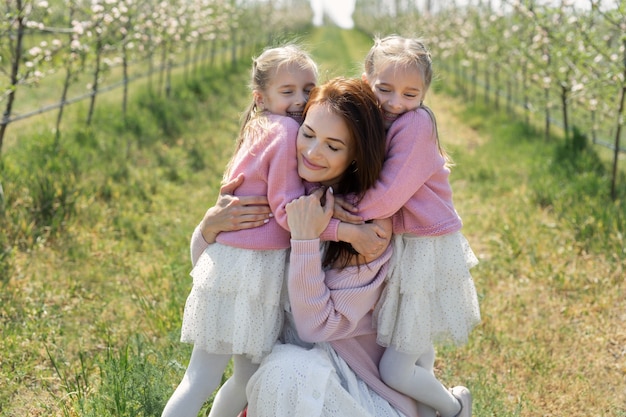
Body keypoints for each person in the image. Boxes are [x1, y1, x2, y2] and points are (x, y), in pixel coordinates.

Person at [244, 77, 422, 417]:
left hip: (358, 388)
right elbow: (221, 277)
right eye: (308, 134)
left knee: (286, 370)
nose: (312, 153)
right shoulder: (286, 197)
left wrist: (307, 240)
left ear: (356, 156)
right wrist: (207, 230)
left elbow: (316, 327)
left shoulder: (367, 226)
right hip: (297, 373)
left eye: (333, 146)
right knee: (284, 369)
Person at [161, 44, 318, 417]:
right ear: (260, 97)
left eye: (308, 90)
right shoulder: (283, 132)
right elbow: (285, 209)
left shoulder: (259, 127)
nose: (300, 100)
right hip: (249, 273)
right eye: (288, 91)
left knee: (232, 378)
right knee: (211, 378)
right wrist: (326, 220)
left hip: (239, 270)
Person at [336, 35, 481, 417]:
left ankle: (453, 408)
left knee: (395, 366)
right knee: (413, 340)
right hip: (410, 244)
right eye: (384, 89)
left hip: (426, 249)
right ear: (366, 78)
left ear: (424, 94)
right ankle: (425, 408)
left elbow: (386, 197)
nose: (395, 103)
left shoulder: (415, 124)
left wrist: (336, 209)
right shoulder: (381, 120)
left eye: (410, 94)